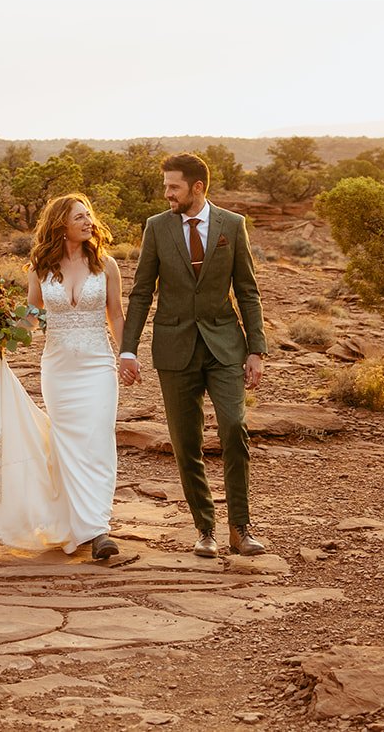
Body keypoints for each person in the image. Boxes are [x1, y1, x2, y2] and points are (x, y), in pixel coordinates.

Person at [0, 193, 125, 560]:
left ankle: (99, 528)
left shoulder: (107, 265)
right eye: (80, 217)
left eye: (89, 216)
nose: (89, 222)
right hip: (58, 368)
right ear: (60, 225)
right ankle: (82, 524)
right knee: (67, 444)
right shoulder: (41, 268)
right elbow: (33, 316)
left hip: (98, 364)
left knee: (98, 440)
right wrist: (0, 334)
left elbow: (115, 314)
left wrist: (128, 353)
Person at [118, 152, 268, 557]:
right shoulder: (157, 227)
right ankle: (205, 528)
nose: (167, 193)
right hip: (174, 347)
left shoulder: (232, 226)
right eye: (166, 186)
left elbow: (248, 291)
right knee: (186, 444)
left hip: (224, 345)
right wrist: (127, 348)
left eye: (174, 187)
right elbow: (141, 291)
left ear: (197, 187)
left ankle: (241, 527)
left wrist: (256, 349)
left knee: (234, 427)